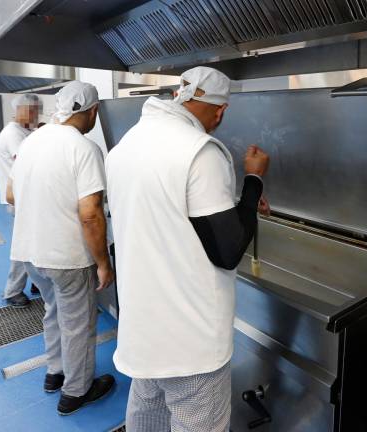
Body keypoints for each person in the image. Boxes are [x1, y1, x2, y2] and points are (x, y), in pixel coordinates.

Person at [106, 66, 270, 431]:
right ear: (220, 110)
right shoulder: (200, 152)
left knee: (146, 419)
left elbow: (170, 215)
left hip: (142, 328)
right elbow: (228, 251)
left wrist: (236, 203)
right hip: (189, 342)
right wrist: (254, 181)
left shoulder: (127, 145)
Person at [6, 81, 115, 415]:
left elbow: (11, 195)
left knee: (53, 313)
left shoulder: (32, 140)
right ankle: (77, 391)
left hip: (29, 252)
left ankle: (55, 373)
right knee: (78, 323)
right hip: (66, 257)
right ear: (92, 111)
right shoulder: (83, 148)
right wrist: (102, 262)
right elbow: (91, 215)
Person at [0, 94, 41, 308]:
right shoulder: (13, 134)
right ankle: (12, 291)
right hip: (19, 199)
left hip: (26, 197)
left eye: (37, 111)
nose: (36, 115)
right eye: (33, 111)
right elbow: (25, 162)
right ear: (21, 110)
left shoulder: (23, 131)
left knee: (34, 242)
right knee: (23, 246)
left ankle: (37, 283)